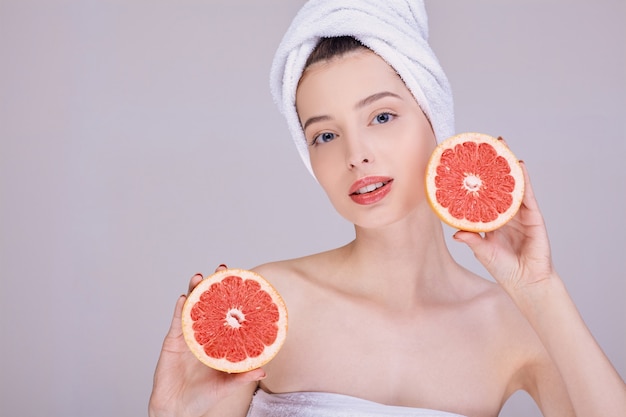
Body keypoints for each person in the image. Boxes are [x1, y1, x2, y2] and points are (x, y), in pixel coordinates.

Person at [148, 1, 626, 416]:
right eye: (325, 135)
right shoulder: (264, 307)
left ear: (434, 118)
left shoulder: (515, 324)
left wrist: (540, 290)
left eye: (381, 116)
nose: (355, 154)